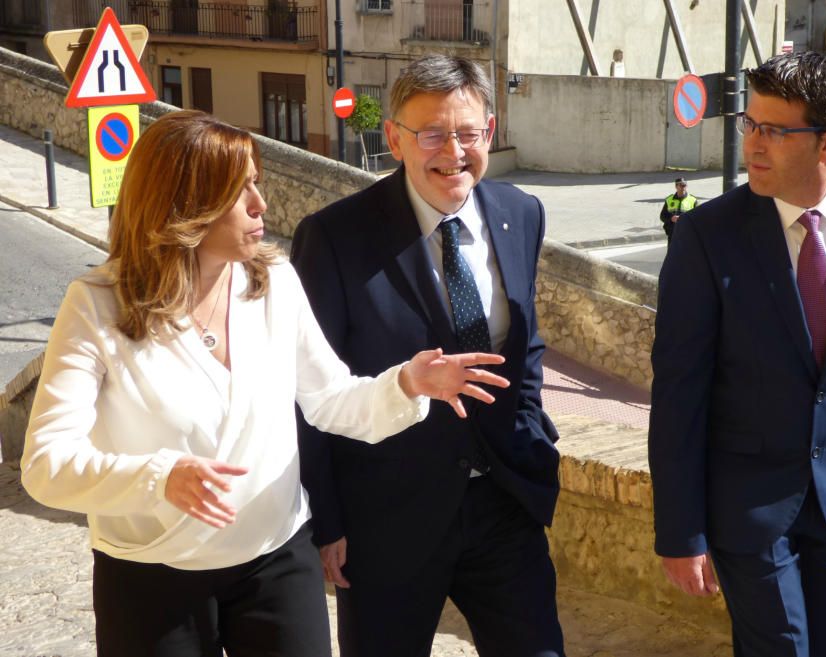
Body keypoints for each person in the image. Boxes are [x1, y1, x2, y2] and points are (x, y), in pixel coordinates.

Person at [19, 110, 509, 657]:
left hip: (277, 559)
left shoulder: (273, 281)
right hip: (151, 574)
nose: (261, 205)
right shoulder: (96, 305)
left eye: (257, 182)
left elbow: (330, 401)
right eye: (240, 190)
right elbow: (45, 465)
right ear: (185, 205)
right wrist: (159, 477)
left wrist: (408, 385)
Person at [648, 52, 826, 657]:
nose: (753, 144)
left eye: (774, 131)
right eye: (749, 124)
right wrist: (680, 530)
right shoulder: (706, 237)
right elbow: (678, 395)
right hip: (745, 508)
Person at [291, 54, 565, 657]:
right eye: (432, 134)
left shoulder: (522, 214)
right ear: (394, 139)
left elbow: (526, 344)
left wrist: (531, 435)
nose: (453, 151)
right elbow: (309, 390)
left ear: (489, 132)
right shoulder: (334, 238)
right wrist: (327, 520)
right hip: (387, 519)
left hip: (503, 504)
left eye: (467, 133)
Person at [659, 177, 698, 242]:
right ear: (676, 186)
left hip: (687, 234)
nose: (683, 187)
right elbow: (662, 216)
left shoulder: (693, 200)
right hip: (672, 234)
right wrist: (671, 218)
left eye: (684, 185)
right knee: (672, 252)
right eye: (681, 185)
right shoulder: (669, 200)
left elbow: (697, 218)